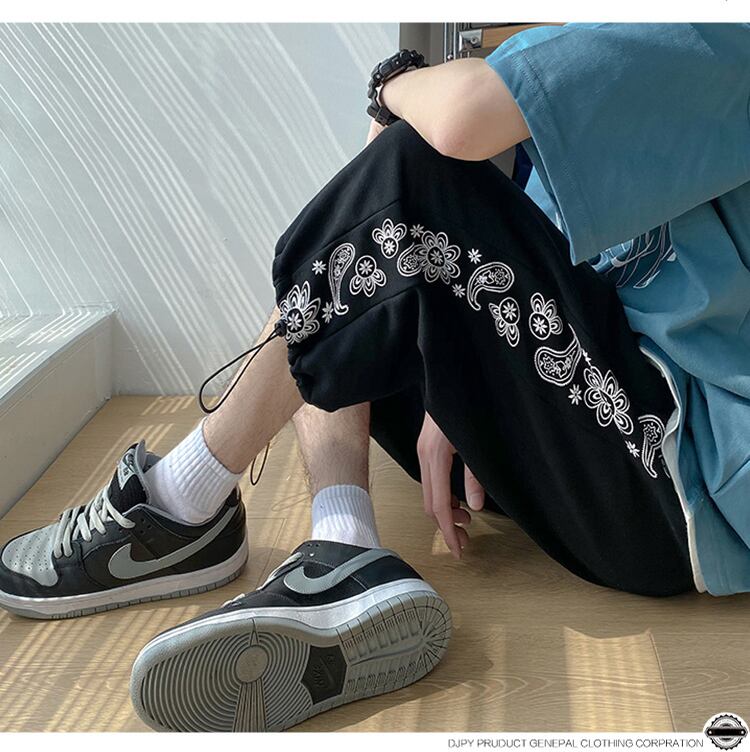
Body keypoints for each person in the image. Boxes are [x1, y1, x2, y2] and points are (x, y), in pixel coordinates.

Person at [1, 22, 749, 733]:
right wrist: (463, 381)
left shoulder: (707, 33)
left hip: (674, 488)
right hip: (603, 443)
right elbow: (429, 228)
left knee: (407, 176)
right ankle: (343, 545)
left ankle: (181, 501)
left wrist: (391, 81)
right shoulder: (595, 65)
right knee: (356, 279)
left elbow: (454, 121)